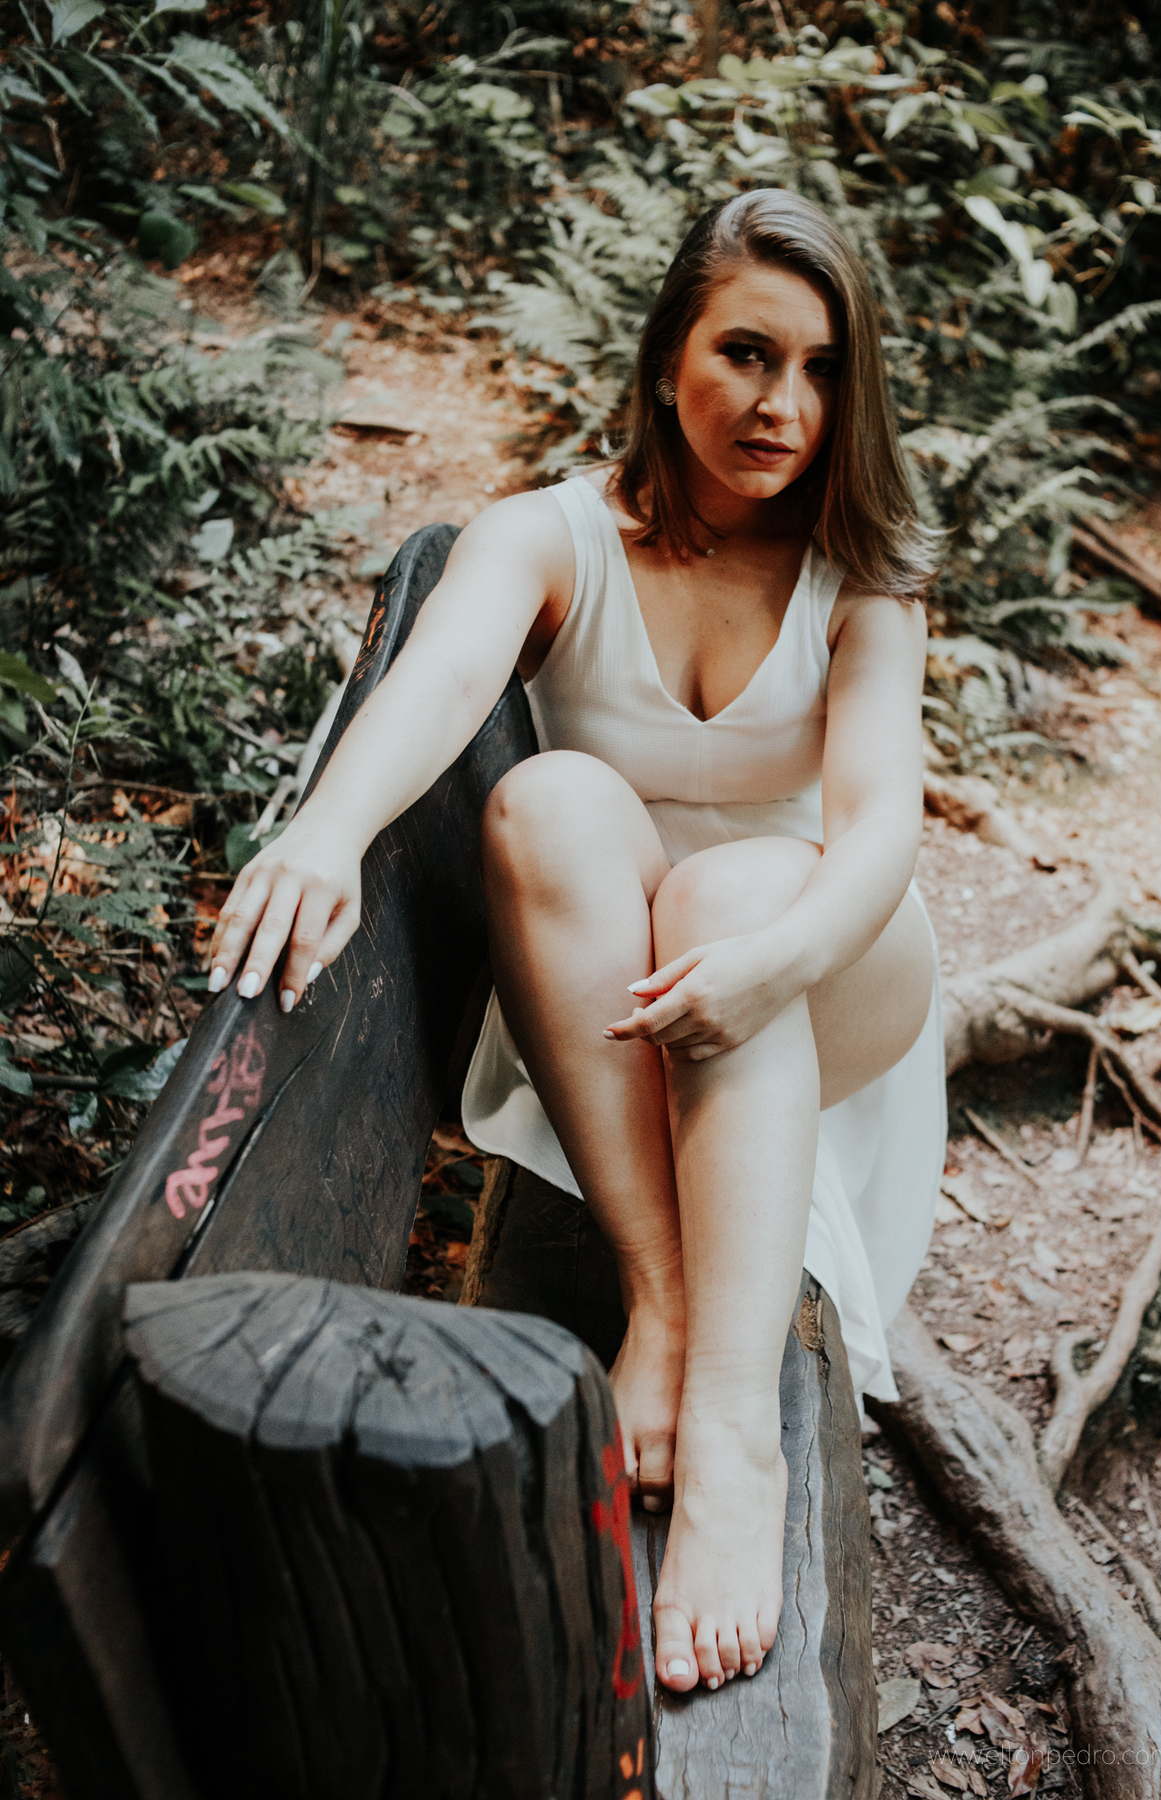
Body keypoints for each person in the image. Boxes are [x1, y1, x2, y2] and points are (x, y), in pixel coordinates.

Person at [208, 188, 945, 1700]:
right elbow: (439, 681)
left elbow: (880, 826)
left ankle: (732, 1428)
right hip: (613, 989)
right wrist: (327, 831)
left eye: (822, 370)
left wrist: (781, 958)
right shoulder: (549, 537)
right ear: (669, 354)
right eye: (747, 353)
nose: (783, 404)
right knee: (546, 799)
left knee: (729, 895)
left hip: (822, 967)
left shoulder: (862, 575)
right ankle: (662, 1306)